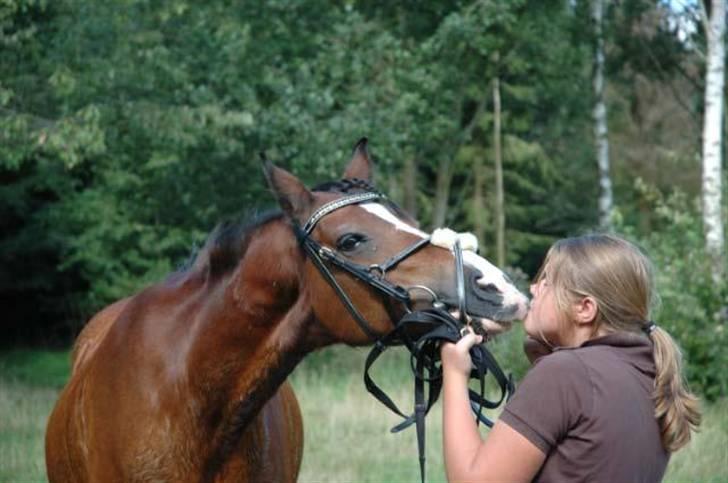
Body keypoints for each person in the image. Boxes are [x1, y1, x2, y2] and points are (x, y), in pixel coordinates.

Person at [440, 234, 701, 482]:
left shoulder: (565, 373)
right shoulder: (649, 376)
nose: (533, 288)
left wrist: (454, 373)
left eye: (546, 282)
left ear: (585, 309)